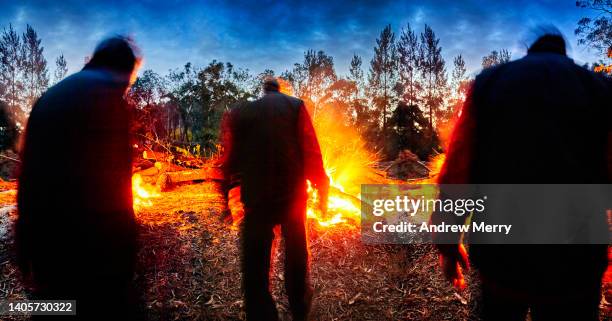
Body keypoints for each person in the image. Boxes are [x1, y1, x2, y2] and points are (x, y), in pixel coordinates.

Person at [434, 31, 611, 320]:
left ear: (529, 51)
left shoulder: (488, 83)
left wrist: (447, 241)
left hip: (501, 257)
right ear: (563, 52)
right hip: (576, 259)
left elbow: (459, 171)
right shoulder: (601, 88)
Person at [16, 36, 142, 320]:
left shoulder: (50, 96)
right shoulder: (108, 98)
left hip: (45, 242)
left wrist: (23, 242)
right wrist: (127, 252)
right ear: (123, 69)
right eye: (131, 77)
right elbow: (117, 188)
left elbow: (26, 174)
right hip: (91, 248)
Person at [222, 77, 329, 321]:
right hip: (291, 195)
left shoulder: (242, 111)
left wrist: (226, 194)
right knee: (296, 253)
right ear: (279, 90)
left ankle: (261, 313)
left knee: (255, 263)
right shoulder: (295, 106)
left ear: (264, 91)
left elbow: (230, 158)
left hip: (256, 198)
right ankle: (299, 306)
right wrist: (322, 188)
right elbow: (311, 150)